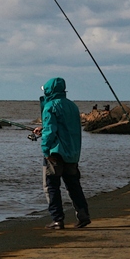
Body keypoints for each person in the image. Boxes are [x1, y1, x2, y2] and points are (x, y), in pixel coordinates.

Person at [33, 77, 91, 229]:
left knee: (51, 186)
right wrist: (43, 128)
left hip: (55, 153)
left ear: (49, 90)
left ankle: (57, 219)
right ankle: (83, 215)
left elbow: (51, 132)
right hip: (72, 152)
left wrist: (45, 150)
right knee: (73, 185)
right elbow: (66, 128)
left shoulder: (50, 106)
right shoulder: (72, 106)